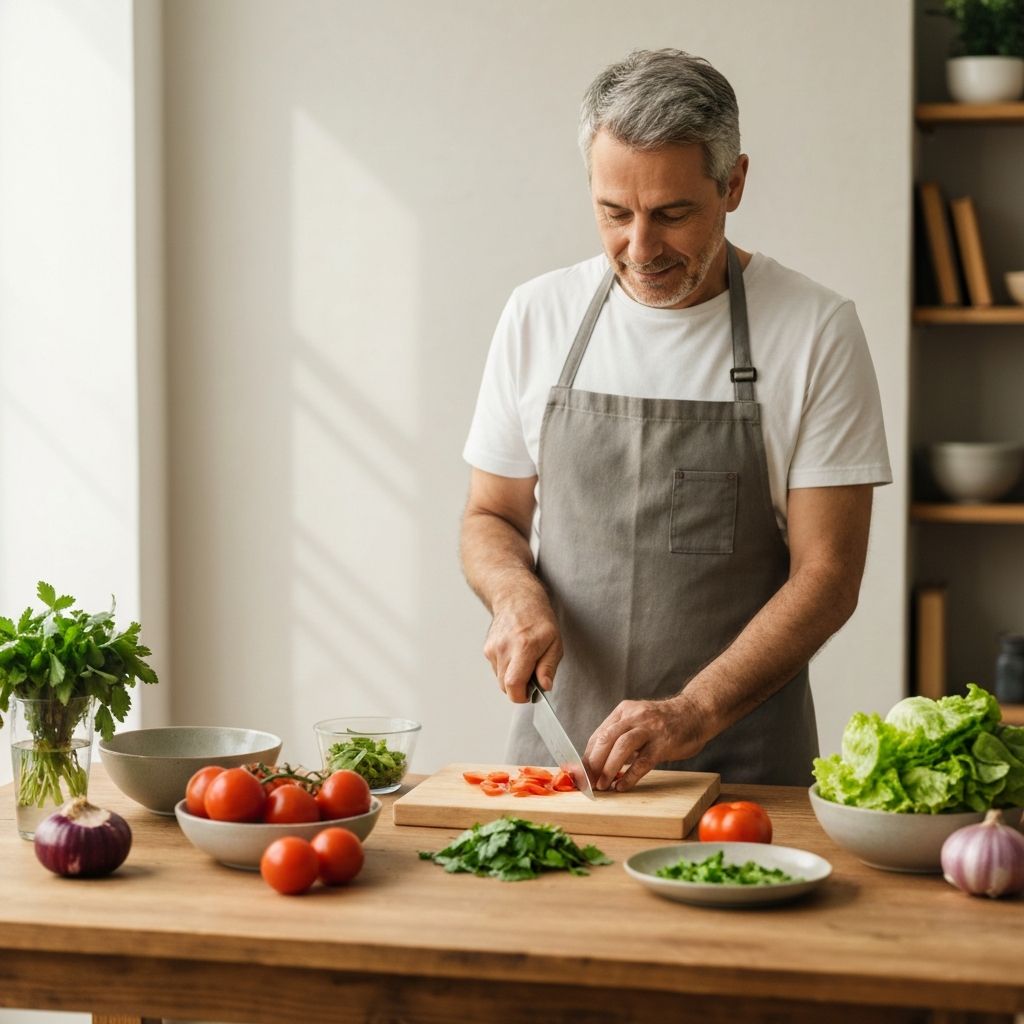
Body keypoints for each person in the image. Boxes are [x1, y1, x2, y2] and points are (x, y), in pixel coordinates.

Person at [459, 48, 892, 792]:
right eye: (614, 213)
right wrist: (515, 596)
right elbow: (489, 516)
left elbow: (829, 575)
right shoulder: (537, 316)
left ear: (734, 185)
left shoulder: (817, 330)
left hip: (742, 775)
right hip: (560, 770)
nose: (640, 248)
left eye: (672, 214)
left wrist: (692, 711)